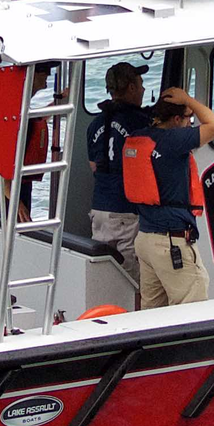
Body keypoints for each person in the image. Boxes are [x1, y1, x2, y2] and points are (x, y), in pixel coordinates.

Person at [128, 86, 214, 308]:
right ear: (176, 119)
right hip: (171, 243)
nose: (190, 124)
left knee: (152, 312)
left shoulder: (138, 137)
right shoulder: (173, 140)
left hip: (146, 238)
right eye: (188, 118)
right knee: (192, 307)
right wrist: (188, 99)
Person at [0, 62, 52, 283]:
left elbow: (28, 126)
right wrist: (13, 198)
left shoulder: (8, 99)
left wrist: (56, 104)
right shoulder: (13, 109)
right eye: (44, 70)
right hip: (1, 188)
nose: (49, 73)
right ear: (32, 75)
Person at [85, 61, 151, 286]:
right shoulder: (140, 123)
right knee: (131, 279)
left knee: (104, 271)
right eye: (140, 84)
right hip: (126, 212)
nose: (143, 89)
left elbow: (94, 166)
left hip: (99, 209)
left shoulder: (94, 124)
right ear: (131, 88)